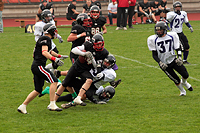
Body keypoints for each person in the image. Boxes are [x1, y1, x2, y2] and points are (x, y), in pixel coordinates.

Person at [17, 23, 65, 114]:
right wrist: (55, 59)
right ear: (51, 31)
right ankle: (52, 104)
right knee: (54, 81)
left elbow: (49, 51)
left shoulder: (44, 39)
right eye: (54, 31)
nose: (56, 33)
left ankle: (23, 106)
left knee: (38, 90)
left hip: (36, 65)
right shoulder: (45, 39)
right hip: (39, 66)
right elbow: (44, 52)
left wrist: (59, 56)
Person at [54, 34, 109, 107]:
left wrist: (92, 59)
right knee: (64, 83)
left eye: (101, 44)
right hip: (76, 67)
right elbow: (74, 50)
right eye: (97, 44)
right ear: (93, 43)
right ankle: (53, 101)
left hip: (85, 70)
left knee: (89, 80)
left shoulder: (104, 53)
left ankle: (78, 98)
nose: (99, 46)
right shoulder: (88, 45)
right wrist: (84, 54)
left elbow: (96, 66)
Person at [40, 55, 118, 105]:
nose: (105, 64)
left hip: (92, 86)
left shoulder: (111, 73)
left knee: (82, 96)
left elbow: (108, 76)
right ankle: (50, 89)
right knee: (67, 83)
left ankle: (65, 100)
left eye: (108, 63)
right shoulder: (97, 63)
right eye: (105, 62)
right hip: (85, 80)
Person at [147, 21, 193, 96]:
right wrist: (160, 63)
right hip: (164, 63)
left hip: (173, 60)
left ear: (164, 29)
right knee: (175, 79)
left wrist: (179, 57)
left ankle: (184, 82)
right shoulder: (152, 39)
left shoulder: (172, 35)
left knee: (185, 74)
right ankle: (182, 91)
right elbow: (154, 55)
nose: (158, 31)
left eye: (160, 30)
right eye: (157, 30)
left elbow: (177, 48)